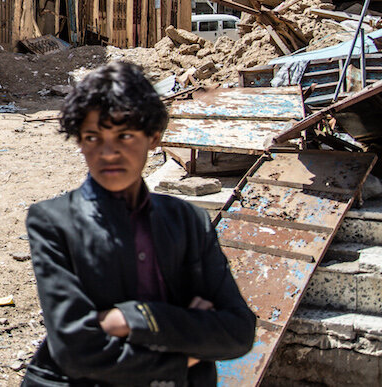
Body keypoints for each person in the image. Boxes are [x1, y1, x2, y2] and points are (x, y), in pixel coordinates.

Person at [23, 61, 255, 386]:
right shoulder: (54, 222)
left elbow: (237, 331)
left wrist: (129, 318)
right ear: (79, 141)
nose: (108, 152)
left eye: (125, 135)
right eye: (93, 136)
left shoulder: (188, 222)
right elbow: (75, 350)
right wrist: (186, 351)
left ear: (154, 138)